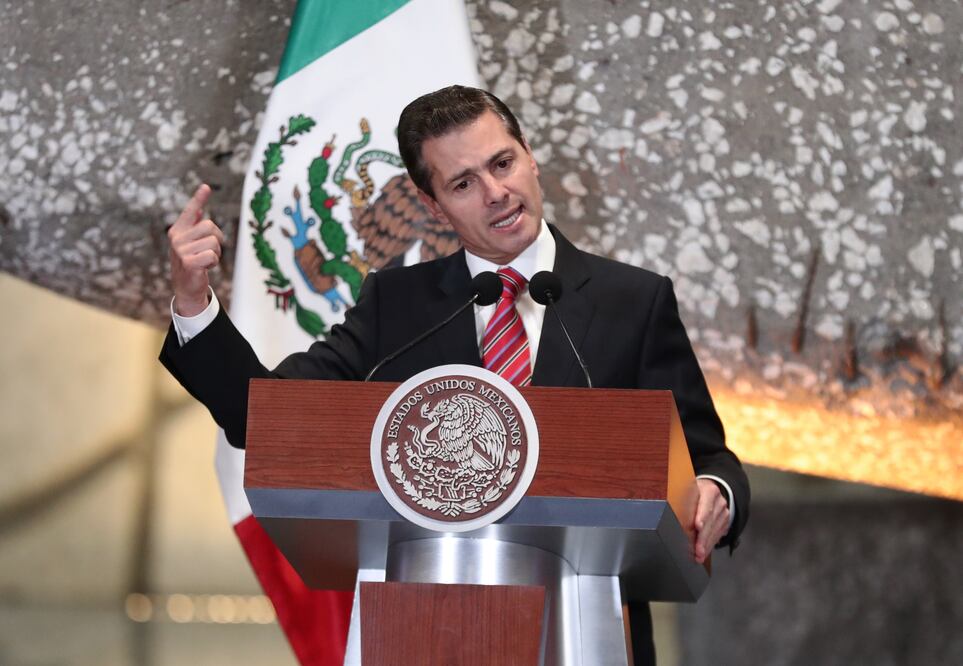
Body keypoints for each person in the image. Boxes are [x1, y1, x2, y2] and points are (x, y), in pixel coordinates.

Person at [161, 85, 749, 664]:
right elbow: (265, 418)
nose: (496, 193)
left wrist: (714, 492)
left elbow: (708, 457)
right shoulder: (398, 306)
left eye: (502, 163)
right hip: (425, 631)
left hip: (588, 626)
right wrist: (193, 303)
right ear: (433, 206)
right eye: (463, 184)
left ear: (530, 156)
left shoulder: (633, 300)